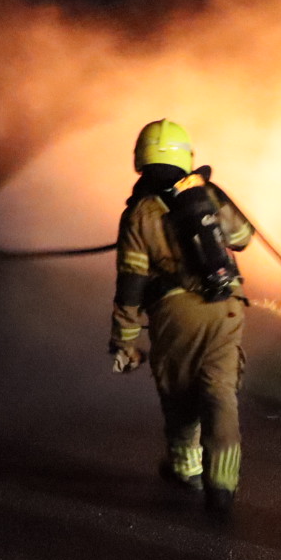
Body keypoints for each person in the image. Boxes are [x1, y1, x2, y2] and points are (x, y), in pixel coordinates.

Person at [108, 119, 253, 516]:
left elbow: (131, 284)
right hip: (225, 307)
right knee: (220, 390)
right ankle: (222, 485)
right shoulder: (205, 192)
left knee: (179, 391)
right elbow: (243, 238)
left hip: (174, 315)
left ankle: (185, 466)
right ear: (186, 156)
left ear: (141, 159)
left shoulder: (138, 213)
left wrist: (124, 339)